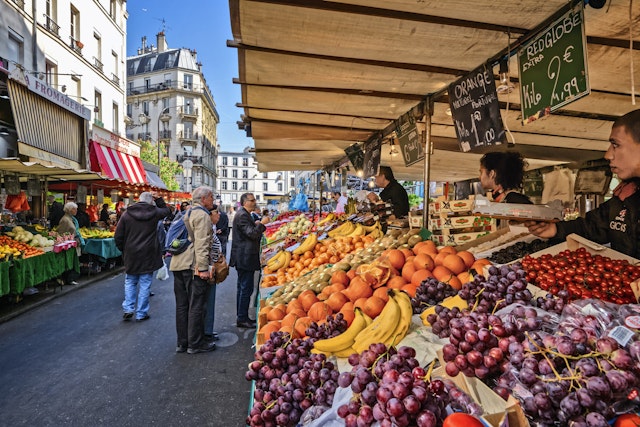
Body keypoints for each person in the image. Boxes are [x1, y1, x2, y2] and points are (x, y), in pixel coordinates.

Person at [527, 109, 640, 258]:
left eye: (616, 145)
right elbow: (593, 227)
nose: (608, 155)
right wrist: (555, 229)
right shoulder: (624, 197)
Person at [169, 186, 217, 354]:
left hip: (177, 263)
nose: (213, 200)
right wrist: (203, 268)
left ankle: (182, 342)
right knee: (196, 304)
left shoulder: (186, 213)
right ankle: (195, 343)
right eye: (211, 197)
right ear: (203, 199)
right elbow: (202, 244)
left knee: (182, 305)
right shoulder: (202, 215)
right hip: (192, 265)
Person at [114, 192, 170, 322]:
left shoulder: (127, 214)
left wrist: (124, 249)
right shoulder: (154, 212)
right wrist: (159, 200)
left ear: (138, 200)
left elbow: (118, 236)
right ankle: (141, 313)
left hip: (131, 252)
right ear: (151, 201)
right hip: (148, 252)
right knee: (145, 283)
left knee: (130, 280)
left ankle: (128, 308)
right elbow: (167, 211)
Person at [230, 193, 270, 328]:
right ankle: (242, 318)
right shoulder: (242, 215)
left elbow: (249, 230)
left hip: (244, 257)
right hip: (244, 257)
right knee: (245, 288)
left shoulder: (244, 214)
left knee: (242, 288)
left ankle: (242, 315)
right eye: (252, 200)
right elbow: (252, 234)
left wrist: (256, 223)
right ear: (245, 202)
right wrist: (262, 224)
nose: (255, 202)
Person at [204, 206, 223, 342]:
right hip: (207, 269)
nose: (219, 215)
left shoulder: (212, 227)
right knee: (207, 301)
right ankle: (205, 332)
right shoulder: (207, 228)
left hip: (211, 268)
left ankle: (208, 330)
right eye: (217, 212)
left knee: (210, 301)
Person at [56, 202, 85, 286]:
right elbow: (61, 232)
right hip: (68, 245)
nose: (76, 210)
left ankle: (70, 278)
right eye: (74, 209)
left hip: (73, 243)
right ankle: (68, 278)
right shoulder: (65, 220)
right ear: (69, 210)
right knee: (69, 262)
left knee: (73, 261)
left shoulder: (72, 219)